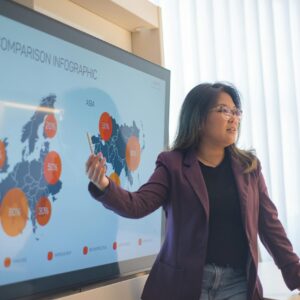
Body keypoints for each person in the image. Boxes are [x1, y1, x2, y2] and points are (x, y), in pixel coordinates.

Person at [86, 82, 300, 300]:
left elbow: (271, 228)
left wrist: (297, 276)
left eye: (236, 112)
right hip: (184, 285)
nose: (234, 118)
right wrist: (104, 184)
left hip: (237, 284)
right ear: (198, 119)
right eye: (224, 110)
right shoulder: (173, 165)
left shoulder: (249, 168)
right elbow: (137, 205)